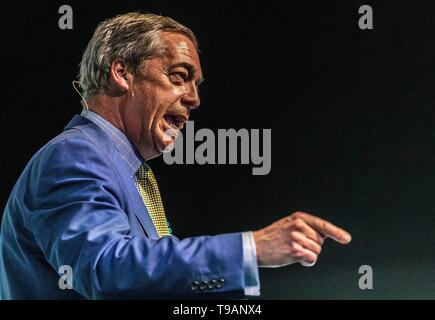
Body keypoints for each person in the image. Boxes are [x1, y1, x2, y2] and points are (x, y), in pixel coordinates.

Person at [0, 12, 351, 299]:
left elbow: (146, 283)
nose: (194, 98)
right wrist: (251, 248)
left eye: (196, 84)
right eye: (179, 76)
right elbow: (105, 270)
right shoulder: (74, 155)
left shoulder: (126, 170)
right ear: (121, 73)